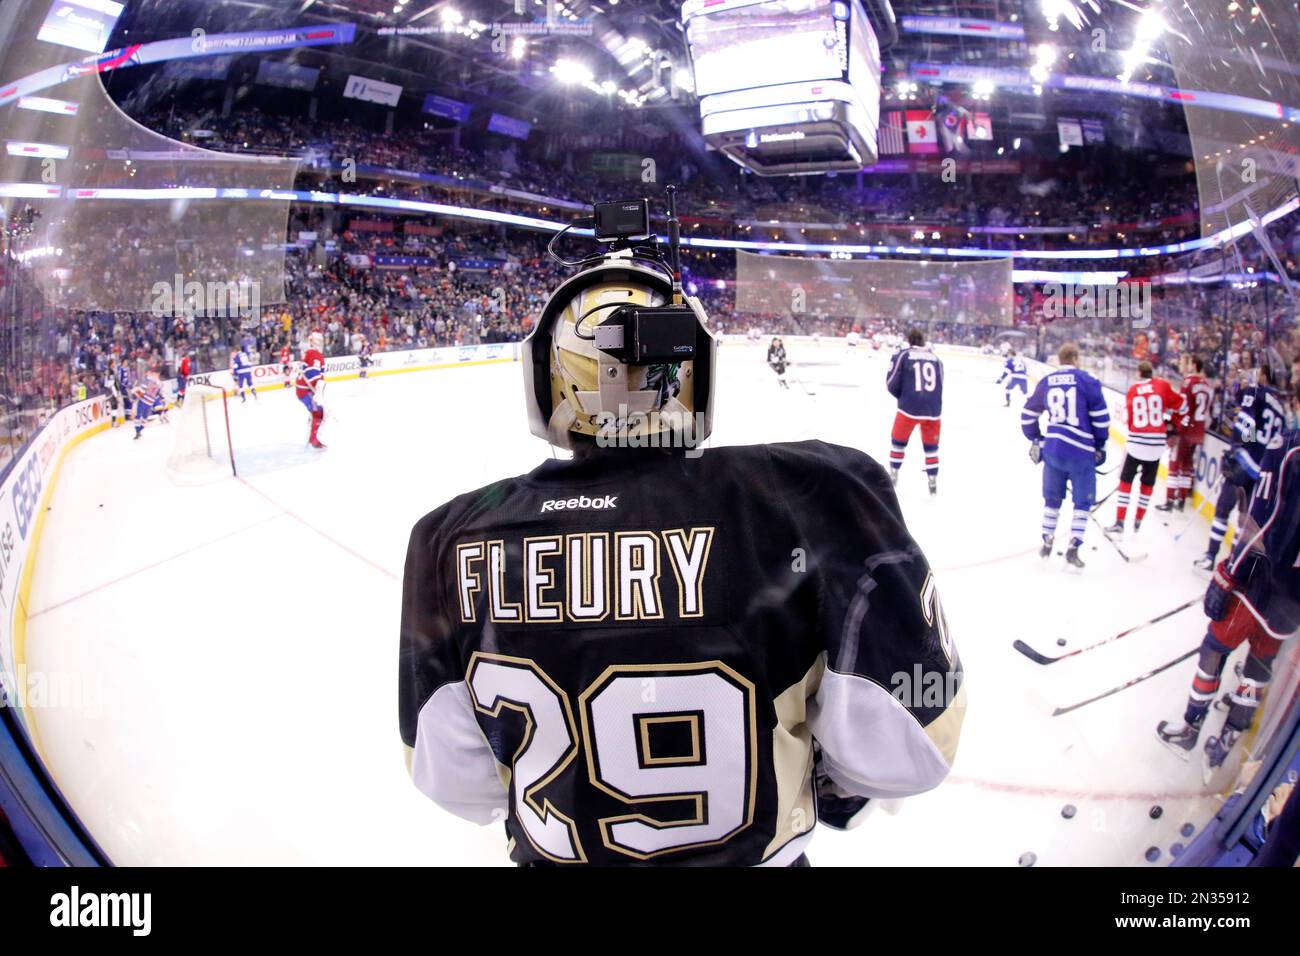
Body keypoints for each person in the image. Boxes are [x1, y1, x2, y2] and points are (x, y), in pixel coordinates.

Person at [398, 246, 964, 867]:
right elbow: (912, 749)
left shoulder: (449, 539)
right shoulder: (812, 497)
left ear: (546, 377)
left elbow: (457, 784)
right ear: (694, 374)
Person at [1158, 380, 1299, 771]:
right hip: (1294, 600)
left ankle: (1189, 730)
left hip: (1259, 584)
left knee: (1215, 647)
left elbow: (1265, 522)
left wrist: (1228, 572)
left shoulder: (1288, 446)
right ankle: (1228, 739)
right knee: (1260, 662)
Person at [1021, 343, 1110, 570]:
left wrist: (1037, 439)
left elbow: (1028, 414)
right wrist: (1099, 444)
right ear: (1076, 358)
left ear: (1060, 360)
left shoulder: (1047, 381)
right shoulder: (1087, 381)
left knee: (1052, 500)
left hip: (1053, 452)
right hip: (1081, 454)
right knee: (1082, 502)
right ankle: (1073, 547)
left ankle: (1047, 541)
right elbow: (1101, 419)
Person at [1196, 365, 1288, 570]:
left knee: (1222, 510)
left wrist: (1238, 448)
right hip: (1261, 471)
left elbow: (1245, 429)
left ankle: (1210, 557)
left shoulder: (1254, 392)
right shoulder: (1281, 409)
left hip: (1243, 464)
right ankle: (1231, 564)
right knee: (1243, 520)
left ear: (1264, 376)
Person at [1106, 360, 1185, 537]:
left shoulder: (1133, 390)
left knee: (1126, 482)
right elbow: (1182, 406)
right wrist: (1173, 425)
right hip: (1157, 445)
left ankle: (1119, 521)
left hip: (1136, 444)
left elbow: (1129, 419)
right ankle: (1138, 521)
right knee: (1147, 484)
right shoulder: (1163, 385)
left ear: (1139, 374)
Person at [885, 328, 944, 494]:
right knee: (931, 448)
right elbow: (941, 383)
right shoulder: (936, 358)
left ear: (909, 341)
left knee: (898, 442)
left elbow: (891, 382)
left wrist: (904, 397)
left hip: (909, 408)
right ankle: (932, 480)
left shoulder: (903, 355)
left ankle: (894, 473)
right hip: (933, 410)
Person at [1158, 355, 1212, 512]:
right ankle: (1181, 499)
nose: (1184, 366)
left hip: (1186, 430)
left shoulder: (1188, 382)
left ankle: (1169, 500)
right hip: (1198, 431)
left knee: (1174, 464)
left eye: (1186, 363)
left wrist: (1175, 428)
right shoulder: (1206, 385)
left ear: (1194, 365)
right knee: (1187, 466)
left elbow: (1183, 409)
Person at [294, 348, 327, 449]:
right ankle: (313, 440)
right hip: (305, 391)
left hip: (304, 390)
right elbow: (312, 375)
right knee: (319, 413)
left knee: (316, 413)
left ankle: (311, 437)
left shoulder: (308, 352)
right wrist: (317, 393)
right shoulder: (316, 355)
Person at [130, 371, 166, 441]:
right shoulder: (160, 383)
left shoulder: (147, 380)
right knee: (144, 418)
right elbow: (160, 392)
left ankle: (137, 431)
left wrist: (134, 394)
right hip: (150, 403)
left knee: (138, 416)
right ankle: (140, 429)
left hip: (143, 401)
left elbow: (142, 391)